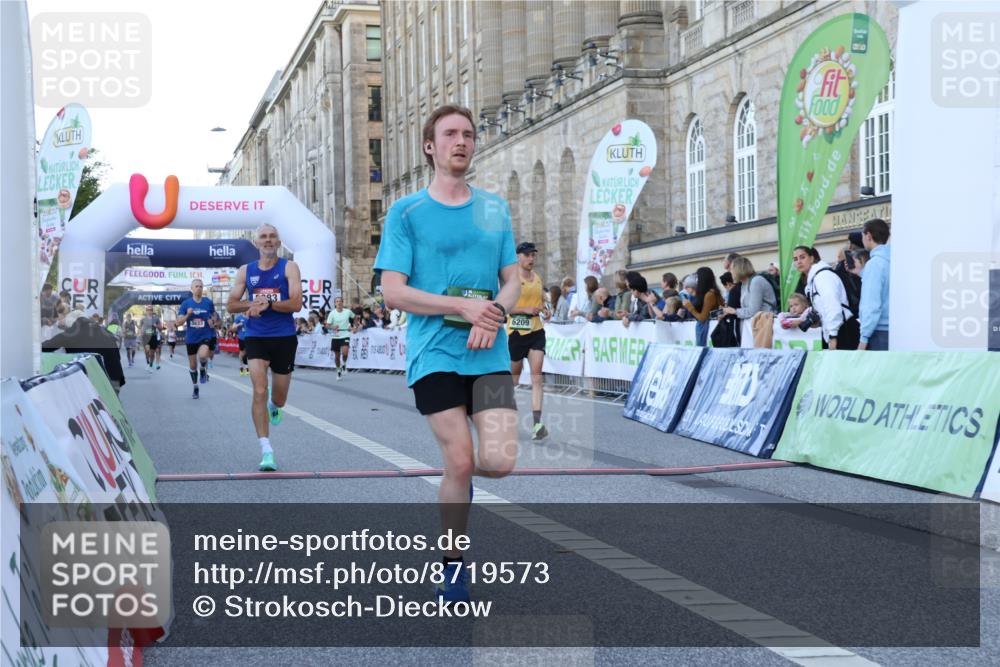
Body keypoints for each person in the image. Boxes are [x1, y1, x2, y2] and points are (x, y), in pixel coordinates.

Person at [376, 104, 520, 605]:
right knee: (460, 458)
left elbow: (512, 280)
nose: (461, 141)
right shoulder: (406, 212)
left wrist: (495, 313)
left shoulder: (494, 209)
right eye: (450, 134)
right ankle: (453, 565)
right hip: (434, 354)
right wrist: (461, 305)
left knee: (499, 462)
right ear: (429, 146)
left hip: (492, 355)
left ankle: (457, 480)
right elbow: (393, 292)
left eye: (468, 134)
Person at [227, 223, 303, 472]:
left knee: (279, 398)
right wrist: (253, 302)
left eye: (272, 237)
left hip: (284, 337)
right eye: (263, 237)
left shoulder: (289, 267)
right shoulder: (245, 271)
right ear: (256, 243)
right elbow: (231, 304)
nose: (268, 240)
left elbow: (296, 303)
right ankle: (266, 449)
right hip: (256, 336)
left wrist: (268, 305)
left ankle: (274, 407)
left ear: (278, 243)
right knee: (260, 389)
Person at [507, 241, 548, 441]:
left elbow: (541, 302)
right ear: (519, 257)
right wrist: (524, 310)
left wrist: (545, 310)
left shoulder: (537, 278)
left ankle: (537, 423)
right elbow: (503, 307)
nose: (531, 259)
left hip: (536, 331)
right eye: (527, 255)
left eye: (533, 255)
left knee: (537, 377)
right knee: (513, 379)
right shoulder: (512, 279)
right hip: (516, 333)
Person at [793, 245, 860, 350]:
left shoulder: (823, 276)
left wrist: (833, 335)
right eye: (795, 259)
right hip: (834, 330)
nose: (799, 262)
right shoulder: (813, 279)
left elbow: (833, 306)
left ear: (811, 258)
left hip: (843, 330)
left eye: (802, 257)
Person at [175, 279, 217, 398]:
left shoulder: (208, 302)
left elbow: (214, 316)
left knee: (203, 355)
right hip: (191, 338)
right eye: (196, 286)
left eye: (201, 286)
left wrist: (212, 321)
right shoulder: (186, 304)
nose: (199, 288)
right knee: (193, 366)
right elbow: (178, 323)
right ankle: (195, 387)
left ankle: (203, 368)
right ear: (192, 288)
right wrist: (188, 315)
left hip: (205, 335)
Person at [858, 218, 891, 351]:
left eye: (862, 236)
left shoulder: (874, 264)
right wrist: (861, 274)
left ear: (868, 235)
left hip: (878, 331)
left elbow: (871, 304)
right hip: (896, 330)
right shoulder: (893, 260)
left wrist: (863, 338)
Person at [722, 257, 777, 323]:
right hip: (759, 322)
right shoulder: (744, 283)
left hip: (766, 322)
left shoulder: (756, 281)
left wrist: (735, 311)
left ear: (739, 269)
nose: (730, 272)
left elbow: (753, 311)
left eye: (731, 269)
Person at [688, 267, 723, 346]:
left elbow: (702, 318)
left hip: (708, 330)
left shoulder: (710, 294)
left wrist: (690, 307)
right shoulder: (713, 292)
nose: (696, 281)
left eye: (697, 278)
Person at [325, 296, 353, 380]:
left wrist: (354, 325)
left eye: (340, 301)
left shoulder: (348, 311)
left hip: (345, 334)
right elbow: (327, 325)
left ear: (342, 302)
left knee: (345, 352)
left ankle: (344, 364)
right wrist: (333, 327)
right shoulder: (332, 313)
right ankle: (338, 370)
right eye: (337, 301)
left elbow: (355, 318)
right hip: (336, 336)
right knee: (337, 357)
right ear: (335, 303)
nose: (339, 303)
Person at [138, 305, 163, 372]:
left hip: (153, 337)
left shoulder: (156, 319)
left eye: (151, 310)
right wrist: (140, 336)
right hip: (145, 337)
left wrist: (156, 326)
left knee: (152, 353)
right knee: (147, 351)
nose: (149, 311)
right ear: (146, 311)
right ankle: (148, 362)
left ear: (152, 311)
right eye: (148, 310)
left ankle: (151, 365)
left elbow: (161, 328)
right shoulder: (143, 319)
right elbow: (140, 329)